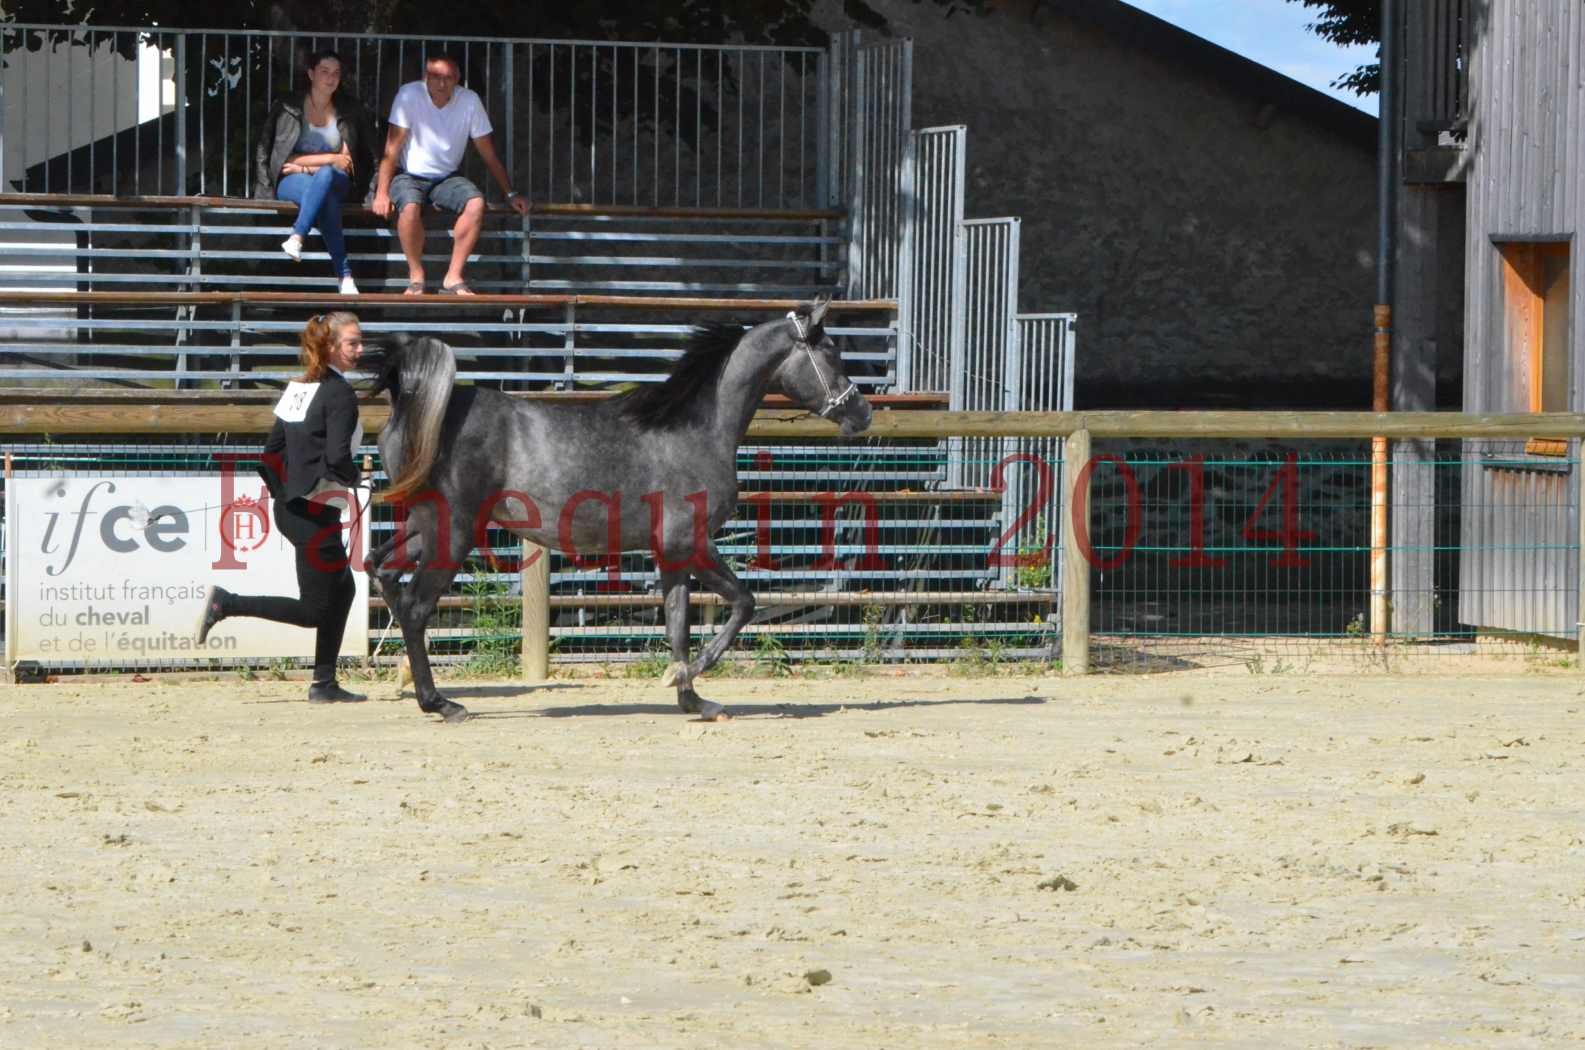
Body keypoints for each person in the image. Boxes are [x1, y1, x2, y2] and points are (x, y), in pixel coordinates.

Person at [197, 312, 367, 703]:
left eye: (360, 342)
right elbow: (339, 455)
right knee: (315, 610)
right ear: (330, 347)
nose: (359, 350)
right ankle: (227, 603)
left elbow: (271, 452)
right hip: (312, 514)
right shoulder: (340, 394)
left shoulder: (298, 388)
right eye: (352, 343)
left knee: (342, 590)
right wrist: (355, 479)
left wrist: (285, 492)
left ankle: (324, 683)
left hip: (294, 510)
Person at [371, 52, 530, 295]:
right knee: (410, 207)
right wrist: (382, 192)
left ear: (458, 79)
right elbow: (391, 150)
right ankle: (416, 276)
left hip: (447, 176)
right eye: (435, 76)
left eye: (448, 77)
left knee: (476, 203)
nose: (441, 83)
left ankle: (454, 276)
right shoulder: (408, 95)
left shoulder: (469, 101)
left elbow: (488, 154)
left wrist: (510, 193)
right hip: (409, 174)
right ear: (425, 77)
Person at [253, 50, 374, 295]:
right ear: (311, 74)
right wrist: (329, 158)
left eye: (336, 73)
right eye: (324, 72)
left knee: (327, 176)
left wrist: (305, 164)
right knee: (325, 197)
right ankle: (345, 276)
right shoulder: (287, 107)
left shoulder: (350, 110)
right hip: (291, 178)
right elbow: (273, 151)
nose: (331, 79)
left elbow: (346, 162)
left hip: (334, 180)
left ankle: (297, 237)